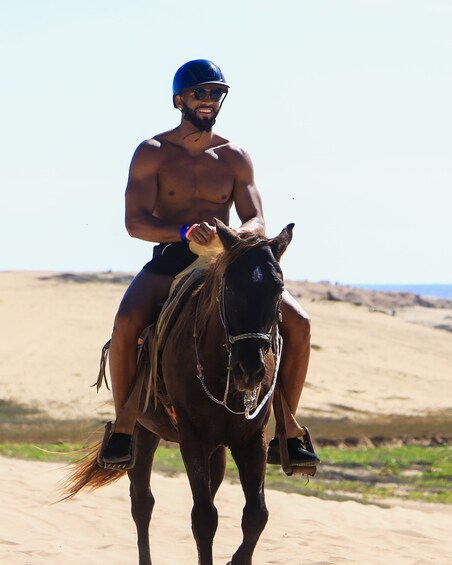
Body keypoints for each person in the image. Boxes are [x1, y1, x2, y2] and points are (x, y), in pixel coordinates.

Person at [101, 59, 320, 470]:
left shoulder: (234, 156)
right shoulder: (152, 152)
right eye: (199, 93)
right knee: (126, 322)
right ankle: (123, 430)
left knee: (300, 322)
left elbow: (256, 218)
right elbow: (136, 223)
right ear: (179, 99)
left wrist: (231, 235)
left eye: (215, 93)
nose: (208, 100)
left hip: (227, 258)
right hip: (172, 258)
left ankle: (288, 432)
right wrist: (184, 231)